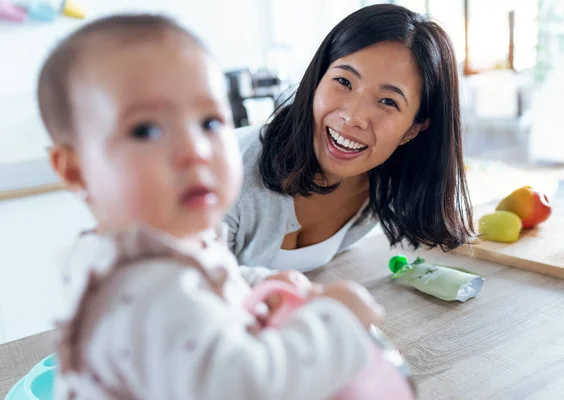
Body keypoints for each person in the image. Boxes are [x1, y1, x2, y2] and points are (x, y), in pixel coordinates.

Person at [38, 14, 387, 399]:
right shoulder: (146, 289)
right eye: (146, 130)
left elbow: (210, 280)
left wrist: (258, 282)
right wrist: (337, 322)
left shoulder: (163, 243)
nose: (196, 151)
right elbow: (248, 387)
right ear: (76, 170)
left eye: (209, 122)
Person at [225, 4, 474, 272]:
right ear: (318, 77)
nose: (353, 116)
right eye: (344, 82)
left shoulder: (380, 188)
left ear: (414, 128)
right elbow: (184, 290)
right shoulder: (229, 174)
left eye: (388, 101)